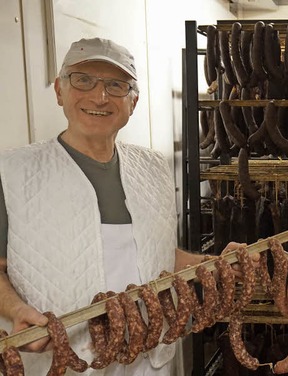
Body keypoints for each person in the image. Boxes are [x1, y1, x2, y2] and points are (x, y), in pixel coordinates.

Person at [0, 37, 235, 374]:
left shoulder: (154, 168)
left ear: (133, 102)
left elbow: (158, 257)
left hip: (149, 361)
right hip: (62, 363)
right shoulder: (11, 171)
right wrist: (16, 309)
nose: (99, 96)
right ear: (58, 91)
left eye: (116, 85)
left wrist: (218, 263)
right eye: (83, 80)